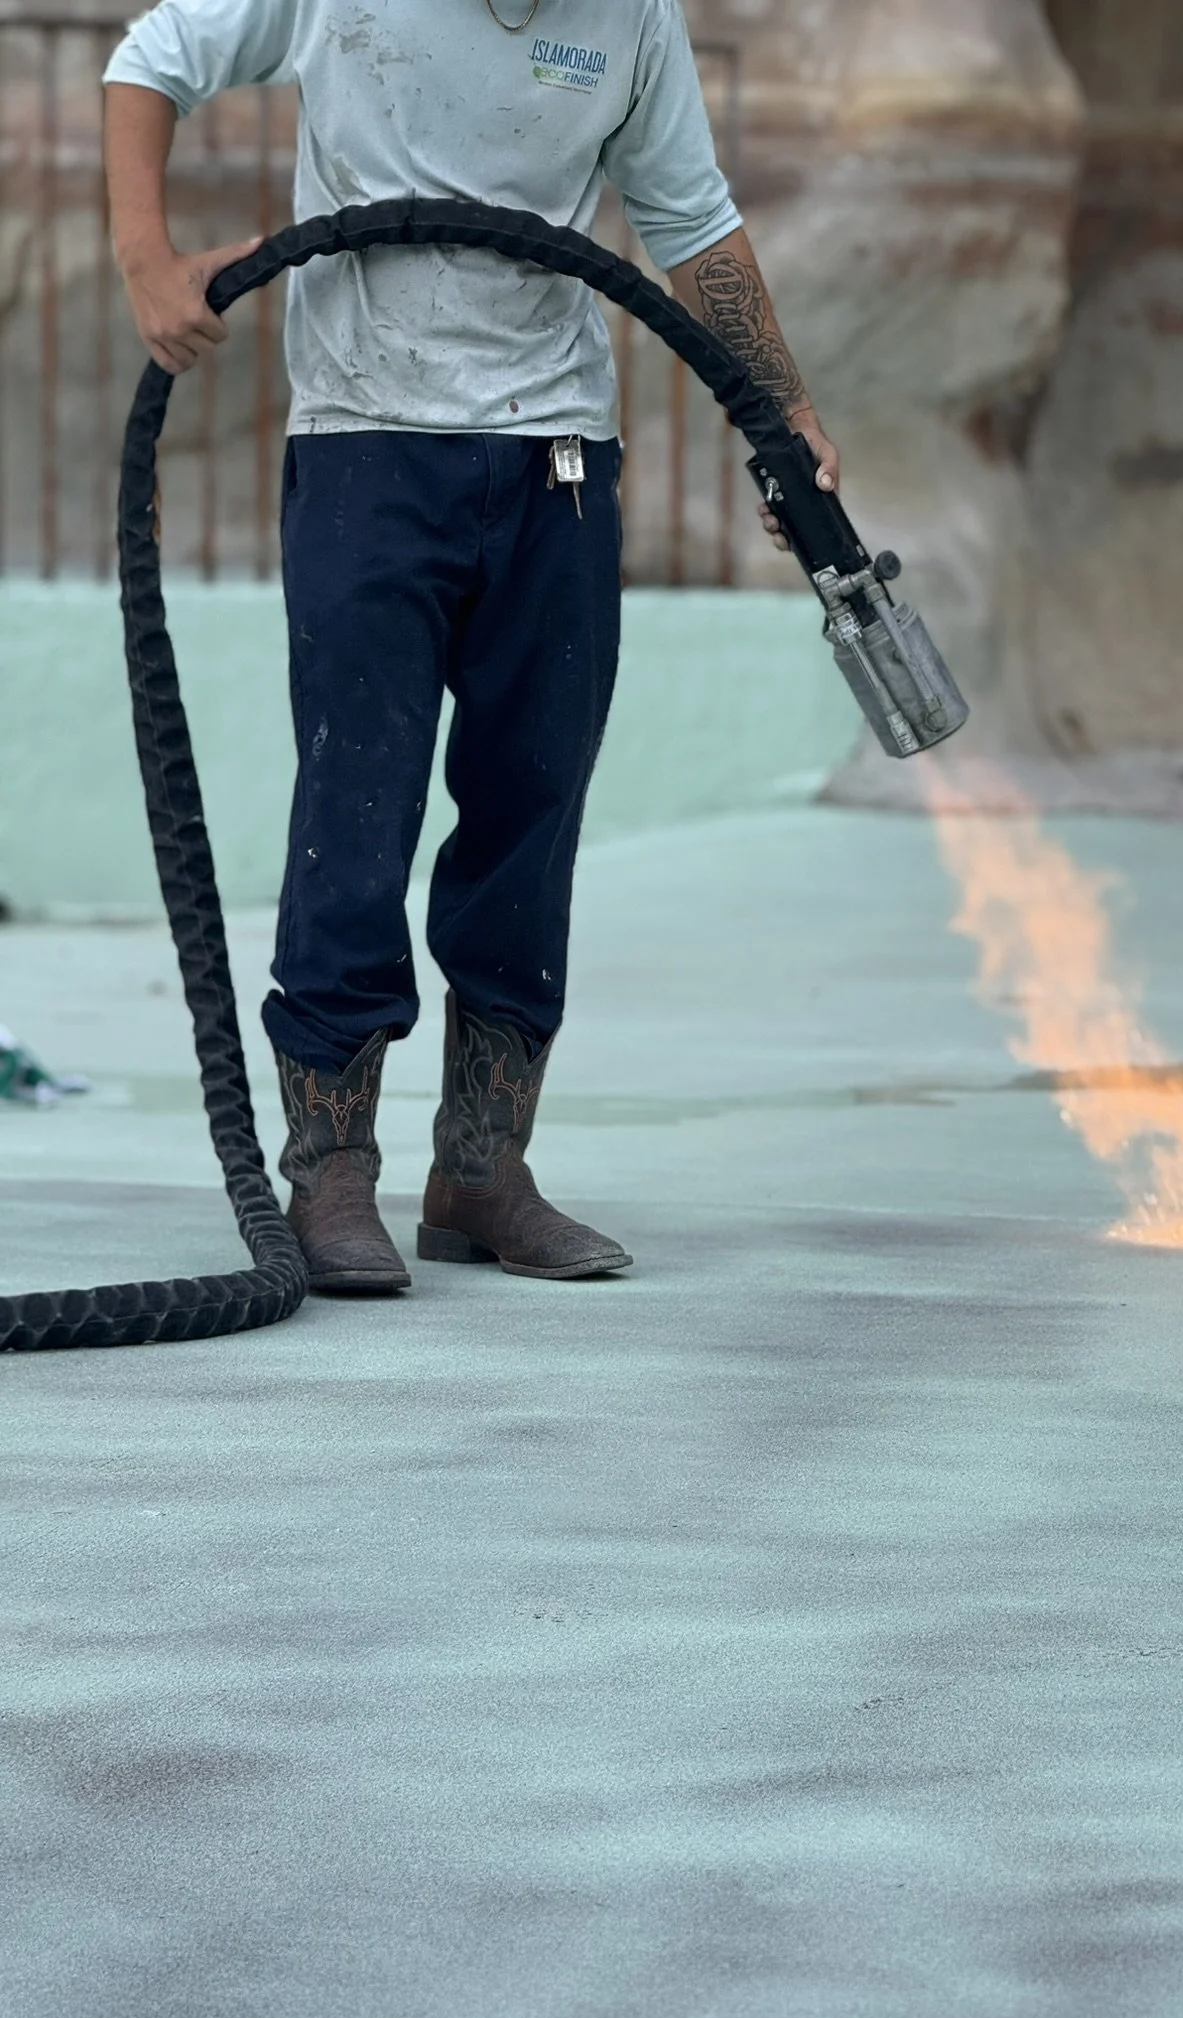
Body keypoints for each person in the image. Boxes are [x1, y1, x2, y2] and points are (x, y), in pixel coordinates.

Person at [103, 0, 838, 1295]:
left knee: (529, 804)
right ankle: (331, 1172)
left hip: (554, 456)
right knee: (358, 801)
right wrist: (147, 263)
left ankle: (483, 1168)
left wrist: (779, 411)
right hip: (367, 442)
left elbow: (691, 221)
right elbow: (150, 58)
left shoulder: (629, 18)